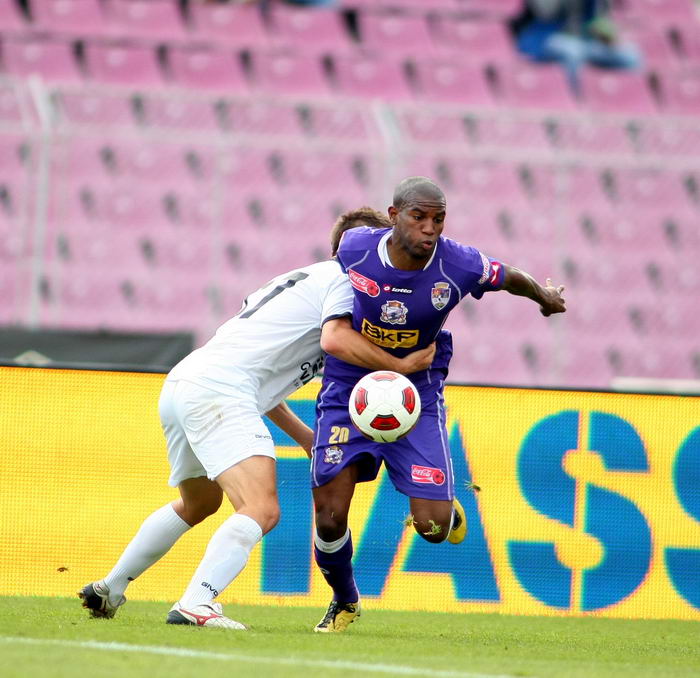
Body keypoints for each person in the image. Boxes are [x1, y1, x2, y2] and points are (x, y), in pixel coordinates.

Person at [78, 212, 435, 629]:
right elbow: (334, 339)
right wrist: (401, 364)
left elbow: (263, 385)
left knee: (199, 503)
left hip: (187, 382)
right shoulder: (343, 283)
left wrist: (306, 438)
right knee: (261, 508)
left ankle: (110, 587)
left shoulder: (302, 279)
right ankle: (197, 603)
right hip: (221, 391)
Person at [310, 176, 567, 632]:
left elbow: (509, 276)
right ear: (394, 216)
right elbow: (328, 297)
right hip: (350, 385)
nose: (430, 228)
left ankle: (442, 504)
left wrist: (544, 297)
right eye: (419, 217)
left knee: (433, 529)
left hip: (418, 390)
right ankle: (345, 600)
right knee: (329, 519)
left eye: (438, 219)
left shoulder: (458, 263)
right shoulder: (354, 247)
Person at [512, 0, 642, 92]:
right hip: (546, 37)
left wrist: (607, 36)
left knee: (630, 56)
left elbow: (598, 20)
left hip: (587, 41)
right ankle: (576, 101)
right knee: (573, 51)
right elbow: (545, 12)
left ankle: (630, 103)